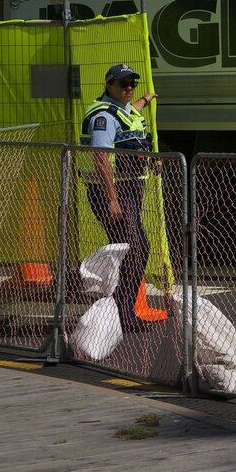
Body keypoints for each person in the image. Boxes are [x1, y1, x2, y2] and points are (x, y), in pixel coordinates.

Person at [80, 65, 165, 327]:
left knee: (130, 249)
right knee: (136, 249)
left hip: (129, 191)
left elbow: (131, 116)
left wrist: (145, 99)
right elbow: (100, 157)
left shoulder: (122, 109)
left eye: (132, 83)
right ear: (109, 86)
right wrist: (112, 199)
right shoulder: (102, 117)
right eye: (122, 84)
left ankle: (121, 311)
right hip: (113, 192)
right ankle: (122, 312)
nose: (128, 88)